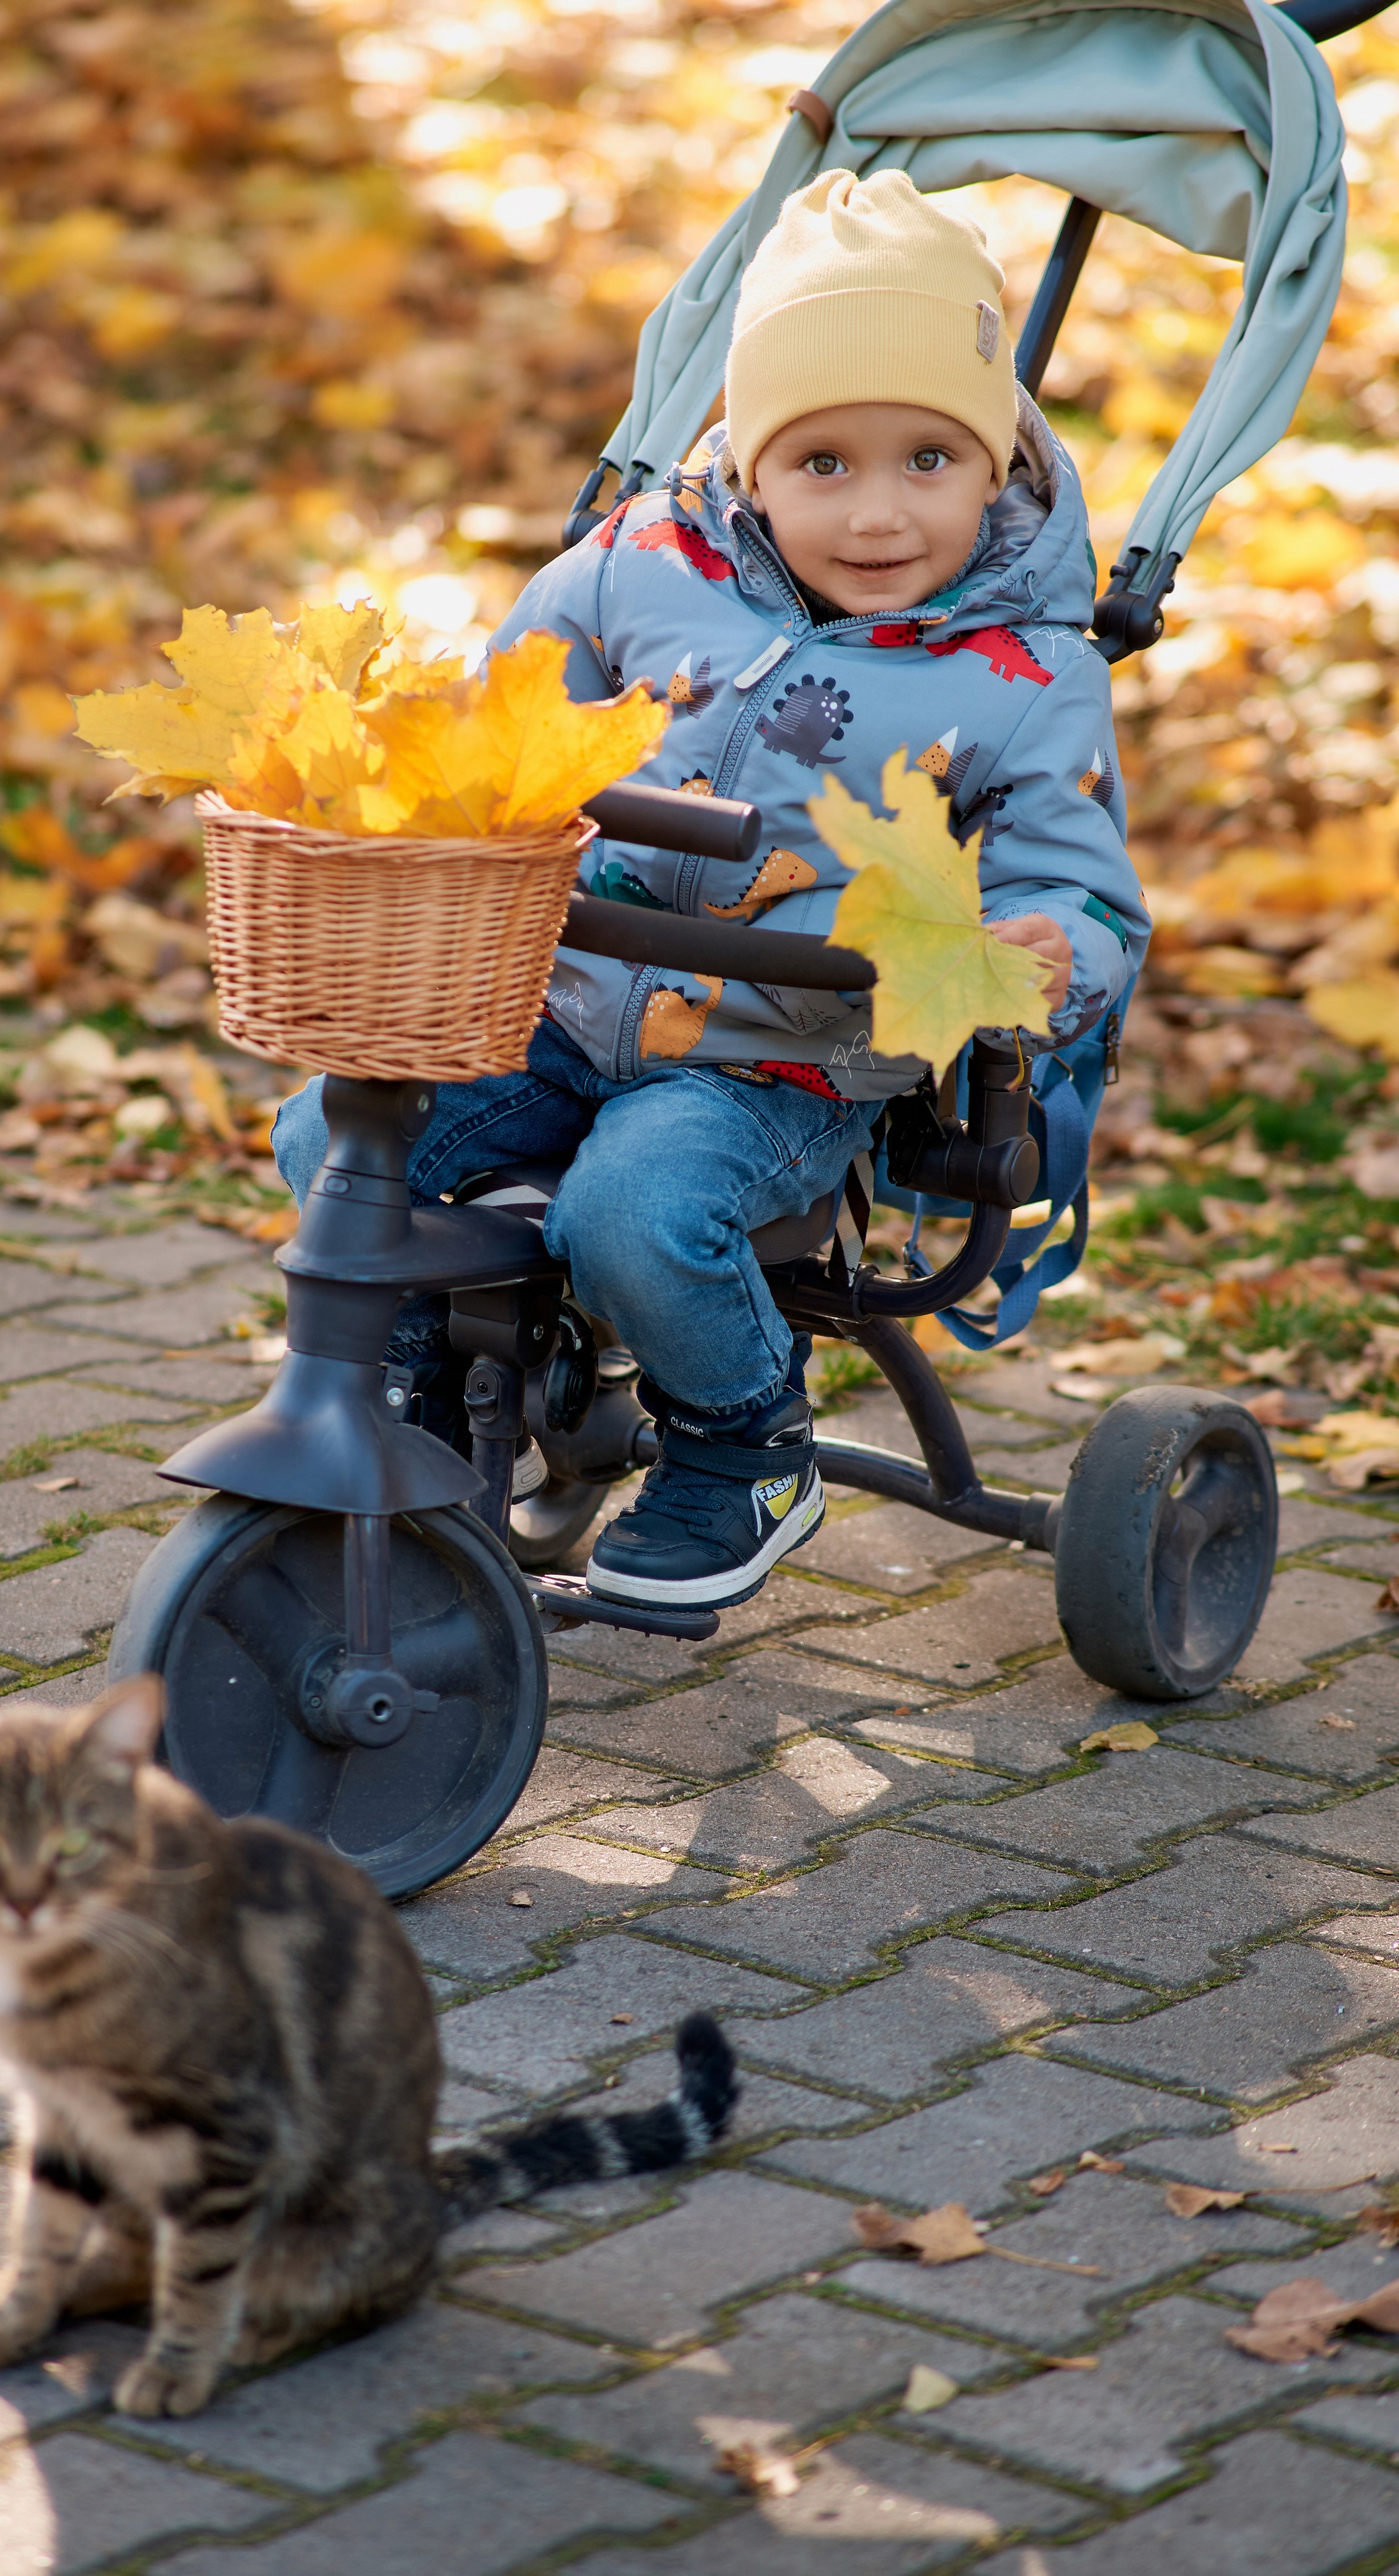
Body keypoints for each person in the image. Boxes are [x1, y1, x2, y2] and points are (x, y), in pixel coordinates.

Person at [275, 166, 1148, 1613]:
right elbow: (502, 724)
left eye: (927, 460)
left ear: (995, 465)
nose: (876, 515)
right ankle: (412, 1389)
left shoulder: (1022, 675)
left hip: (780, 1055)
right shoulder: (634, 564)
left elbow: (1079, 877)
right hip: (554, 1000)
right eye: (823, 464)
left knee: (633, 1209)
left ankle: (743, 1442)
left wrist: (1047, 946)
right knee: (339, 1136)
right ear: (745, 460)